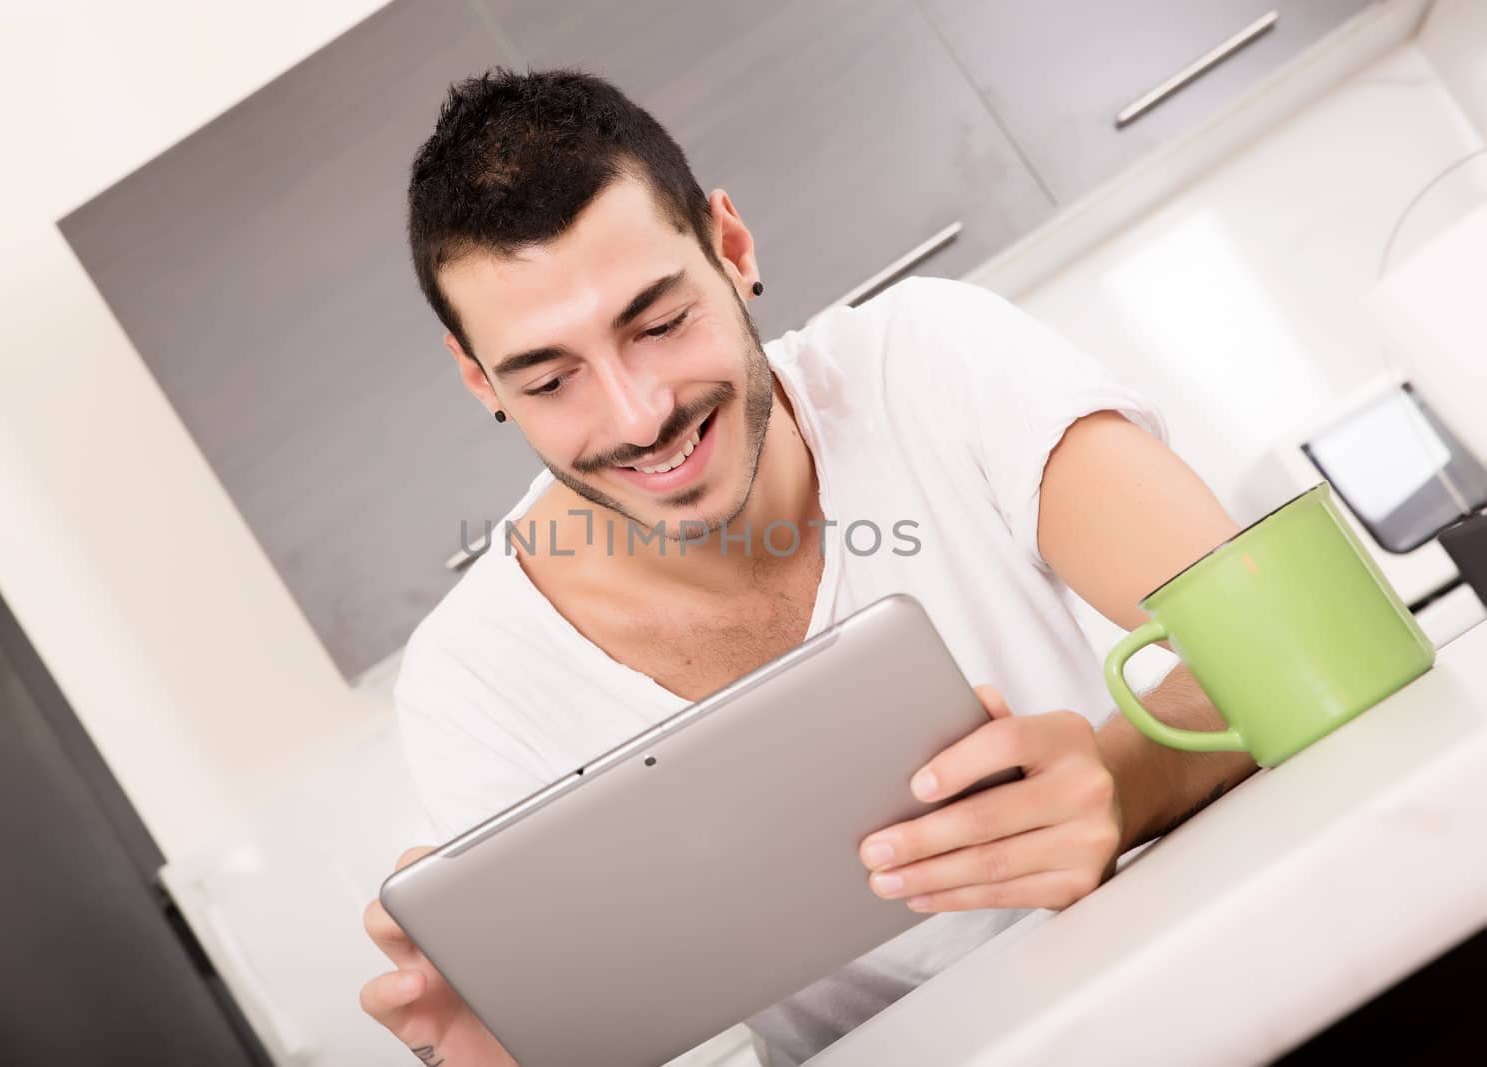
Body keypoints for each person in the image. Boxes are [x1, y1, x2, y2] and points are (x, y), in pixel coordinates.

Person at [359, 67, 1257, 1066]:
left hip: (1206, 987)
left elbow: (1291, 626)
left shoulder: (927, 359)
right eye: (551, 377)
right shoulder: (473, 677)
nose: (637, 414)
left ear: (730, 247)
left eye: (659, 324)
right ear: (479, 378)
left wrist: (1122, 778)